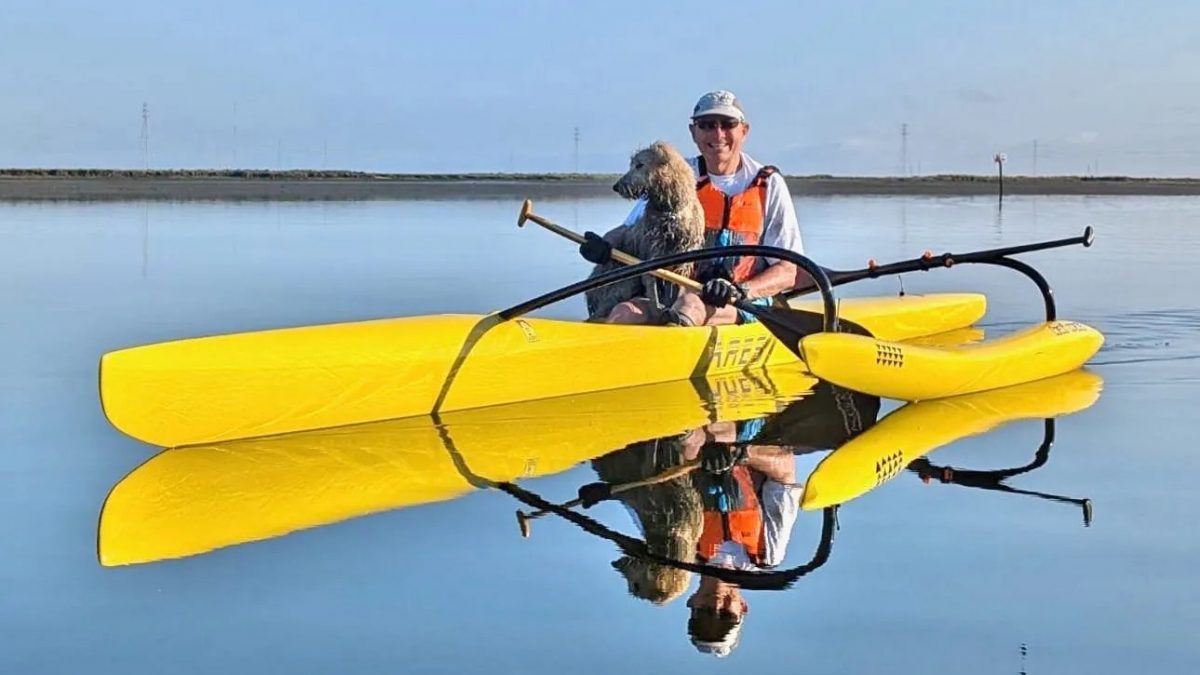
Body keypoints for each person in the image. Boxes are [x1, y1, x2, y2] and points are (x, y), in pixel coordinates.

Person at [579, 90, 809, 327]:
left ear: (744, 130)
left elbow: (787, 271)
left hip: (743, 301)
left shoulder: (769, 184)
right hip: (673, 294)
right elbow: (629, 230)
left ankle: (674, 354)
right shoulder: (672, 175)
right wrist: (605, 244)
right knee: (624, 312)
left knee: (691, 306)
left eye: (727, 124)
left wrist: (740, 291)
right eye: (707, 125)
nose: (717, 133)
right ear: (693, 132)